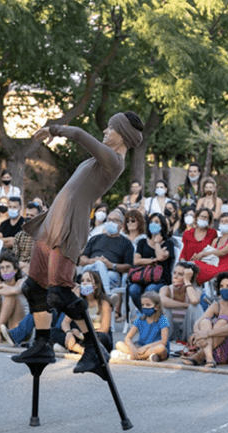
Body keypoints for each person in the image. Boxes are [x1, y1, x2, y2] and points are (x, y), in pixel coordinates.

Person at [12, 110, 143, 375]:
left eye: (110, 127)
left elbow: (81, 135)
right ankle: (42, 343)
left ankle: (94, 349)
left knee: (59, 292)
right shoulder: (101, 158)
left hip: (69, 227)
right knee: (33, 288)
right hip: (52, 224)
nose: (105, 131)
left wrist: (55, 129)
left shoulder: (114, 160)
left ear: (123, 134)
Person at [183, 272, 228, 367]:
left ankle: (200, 355)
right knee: (205, 321)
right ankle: (209, 359)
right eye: (222, 286)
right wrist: (197, 334)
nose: (224, 288)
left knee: (222, 321)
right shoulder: (217, 305)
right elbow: (198, 322)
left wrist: (206, 334)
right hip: (214, 347)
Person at [55, 270, 113, 354]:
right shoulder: (79, 301)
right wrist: (69, 333)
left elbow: (104, 329)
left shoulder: (104, 303)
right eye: (82, 281)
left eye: (88, 281)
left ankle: (74, 348)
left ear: (96, 285)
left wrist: (81, 336)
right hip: (82, 337)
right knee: (54, 332)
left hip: (96, 336)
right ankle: (81, 349)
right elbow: (65, 323)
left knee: (102, 337)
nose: (84, 283)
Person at [78, 208, 133, 296]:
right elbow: (82, 260)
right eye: (109, 220)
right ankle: (108, 294)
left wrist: (112, 265)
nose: (111, 222)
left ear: (122, 225)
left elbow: (129, 266)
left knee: (106, 275)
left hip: (112, 272)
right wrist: (94, 261)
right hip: (91, 268)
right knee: (99, 264)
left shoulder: (126, 243)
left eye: (115, 220)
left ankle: (95, 302)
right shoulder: (95, 238)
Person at [128, 213, 175, 311]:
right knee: (133, 289)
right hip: (142, 277)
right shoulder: (142, 242)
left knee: (150, 290)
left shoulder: (168, 243)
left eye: (157, 222)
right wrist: (153, 260)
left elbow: (161, 257)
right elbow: (136, 261)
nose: (153, 224)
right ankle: (145, 313)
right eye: (151, 222)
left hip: (160, 279)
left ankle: (148, 315)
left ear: (162, 225)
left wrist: (157, 242)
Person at [113, 292, 169, 362]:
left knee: (161, 348)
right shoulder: (140, 319)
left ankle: (131, 357)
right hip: (140, 347)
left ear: (156, 307)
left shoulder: (163, 320)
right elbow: (128, 338)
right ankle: (147, 357)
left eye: (148, 305)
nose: (145, 307)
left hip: (153, 348)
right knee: (119, 344)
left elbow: (164, 341)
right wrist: (133, 348)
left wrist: (146, 347)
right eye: (143, 305)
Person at [159, 262, 203, 343]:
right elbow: (162, 301)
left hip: (187, 332)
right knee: (164, 307)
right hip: (170, 331)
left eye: (180, 274)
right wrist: (185, 305)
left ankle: (197, 339)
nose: (175, 276)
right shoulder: (166, 289)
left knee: (195, 306)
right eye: (174, 273)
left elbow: (194, 301)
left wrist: (186, 281)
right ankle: (164, 341)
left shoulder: (194, 291)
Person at [191, 212, 228, 284]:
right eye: (222, 221)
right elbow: (209, 255)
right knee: (190, 265)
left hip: (224, 268)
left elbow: (222, 252)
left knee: (193, 267)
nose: (224, 223)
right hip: (212, 265)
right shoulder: (216, 240)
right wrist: (198, 256)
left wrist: (203, 254)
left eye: (226, 221)